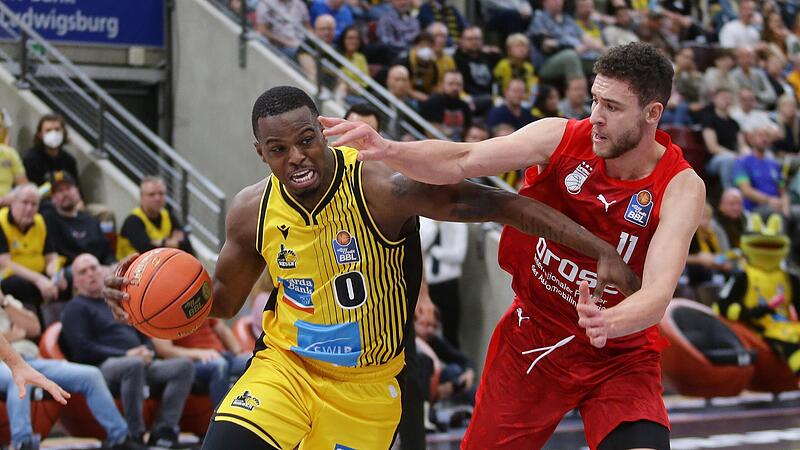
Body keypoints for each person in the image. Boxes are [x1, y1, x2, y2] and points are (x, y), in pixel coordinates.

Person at [103, 86, 640, 450]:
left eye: (306, 140)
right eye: (278, 149)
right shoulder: (251, 211)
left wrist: (601, 250)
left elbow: (500, 204)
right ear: (260, 153)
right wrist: (141, 303)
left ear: (323, 130)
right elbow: (218, 301)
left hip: (369, 388)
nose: (296, 158)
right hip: (285, 370)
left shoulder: (380, 187)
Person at [322, 42, 705, 449]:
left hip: (620, 355)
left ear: (652, 113)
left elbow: (659, 294)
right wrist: (388, 149)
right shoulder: (559, 136)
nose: (595, 117)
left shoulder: (681, 187)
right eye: (594, 100)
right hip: (534, 335)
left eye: (612, 107)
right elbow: (462, 158)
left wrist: (606, 322)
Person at [61, 254, 195, 449]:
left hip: (139, 361)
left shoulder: (119, 301)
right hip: (104, 365)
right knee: (133, 365)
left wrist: (147, 351)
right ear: (75, 282)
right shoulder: (74, 308)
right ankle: (135, 435)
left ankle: (164, 430)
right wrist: (126, 355)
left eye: (94, 267)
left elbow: (144, 333)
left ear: (102, 271)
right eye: (83, 271)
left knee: (184, 366)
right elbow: (82, 349)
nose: (91, 273)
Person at [0, 287, 142, 450]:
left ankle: (120, 437)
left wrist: (4, 302)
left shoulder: (9, 301)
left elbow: (34, 328)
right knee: (18, 380)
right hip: (5, 363)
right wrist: (13, 336)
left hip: (30, 359)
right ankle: (22, 442)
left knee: (91, 375)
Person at [0, 184, 67, 320]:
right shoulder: (1, 222)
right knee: (20, 285)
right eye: (25, 203)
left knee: (68, 280)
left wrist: (56, 274)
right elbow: (4, 263)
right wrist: (38, 279)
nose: (29, 209)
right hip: (10, 277)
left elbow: (51, 257)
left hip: (38, 274)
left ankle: (61, 328)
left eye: (34, 204)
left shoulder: (40, 221)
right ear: (13, 202)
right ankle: (35, 328)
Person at [152, 319, 249, 408]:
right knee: (220, 366)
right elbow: (164, 350)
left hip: (221, 355)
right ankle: (223, 418)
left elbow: (222, 329)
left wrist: (238, 352)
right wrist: (198, 354)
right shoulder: (163, 311)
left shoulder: (197, 304)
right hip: (193, 362)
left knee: (251, 361)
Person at [42, 171, 115, 269]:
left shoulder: (91, 220)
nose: (65, 193)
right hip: (70, 272)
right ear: (53, 198)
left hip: (99, 269)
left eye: (68, 188)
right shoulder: (48, 220)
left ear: (77, 190)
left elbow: (106, 252)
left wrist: (112, 266)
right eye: (59, 191)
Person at [116, 176, 193, 260]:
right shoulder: (133, 220)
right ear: (142, 197)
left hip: (162, 266)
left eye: (161, 193)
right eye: (151, 194)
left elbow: (187, 245)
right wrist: (172, 243)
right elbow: (147, 251)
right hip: (132, 269)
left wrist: (160, 242)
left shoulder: (168, 216)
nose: (157, 198)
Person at [22, 113, 78, 188]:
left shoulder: (69, 160)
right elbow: (30, 191)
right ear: (40, 135)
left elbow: (76, 188)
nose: (53, 133)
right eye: (48, 130)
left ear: (64, 132)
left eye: (57, 129)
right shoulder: (31, 159)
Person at [0, 112, 28, 206]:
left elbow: (24, 185)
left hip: (6, 208)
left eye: (0, 126)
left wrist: (13, 196)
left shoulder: (9, 153)